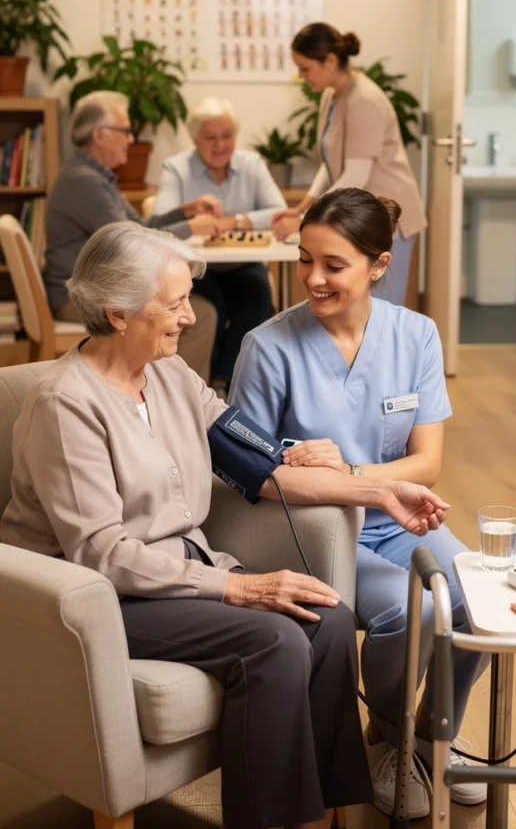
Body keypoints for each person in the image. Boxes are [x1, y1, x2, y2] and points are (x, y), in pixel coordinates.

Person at [0, 220, 450, 829]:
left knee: (329, 616)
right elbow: (103, 554)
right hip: (99, 598)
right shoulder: (66, 404)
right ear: (119, 313)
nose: (190, 317)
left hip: (177, 575)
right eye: (176, 302)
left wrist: (377, 489)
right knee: (273, 638)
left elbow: (263, 466)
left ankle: (320, 814)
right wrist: (240, 586)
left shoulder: (171, 377)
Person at [230, 188, 487, 819]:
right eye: (304, 260)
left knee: (475, 599)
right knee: (409, 613)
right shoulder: (267, 347)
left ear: (378, 264)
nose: (314, 279)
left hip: (400, 518)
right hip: (312, 528)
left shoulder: (416, 335)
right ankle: (388, 739)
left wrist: (351, 468)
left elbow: (426, 462)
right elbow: (250, 470)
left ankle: (433, 730)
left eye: (334, 265)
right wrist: (345, 482)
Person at [44, 90, 221, 382]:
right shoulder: (85, 182)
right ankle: (179, 396)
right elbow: (131, 246)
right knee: (200, 316)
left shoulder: (95, 175)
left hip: (97, 289)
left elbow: (139, 225)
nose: (131, 139)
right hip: (78, 298)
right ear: (99, 135)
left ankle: (173, 392)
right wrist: (193, 227)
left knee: (201, 308)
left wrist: (184, 212)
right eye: (124, 131)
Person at [271, 23, 427, 306]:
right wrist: (302, 204)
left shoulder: (364, 99)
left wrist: (306, 216)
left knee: (381, 310)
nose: (300, 75)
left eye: (305, 68)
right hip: (362, 211)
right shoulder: (332, 96)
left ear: (329, 61)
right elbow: (330, 163)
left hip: (390, 216)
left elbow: (356, 174)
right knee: (356, 311)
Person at [153, 97, 287, 389]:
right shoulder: (177, 167)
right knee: (213, 308)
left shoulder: (251, 163)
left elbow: (278, 212)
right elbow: (158, 221)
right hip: (197, 268)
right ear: (195, 139)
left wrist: (233, 222)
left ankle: (224, 380)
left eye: (227, 136)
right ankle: (199, 386)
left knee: (258, 299)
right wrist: (192, 218)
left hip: (243, 264)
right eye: (210, 137)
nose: (220, 145)